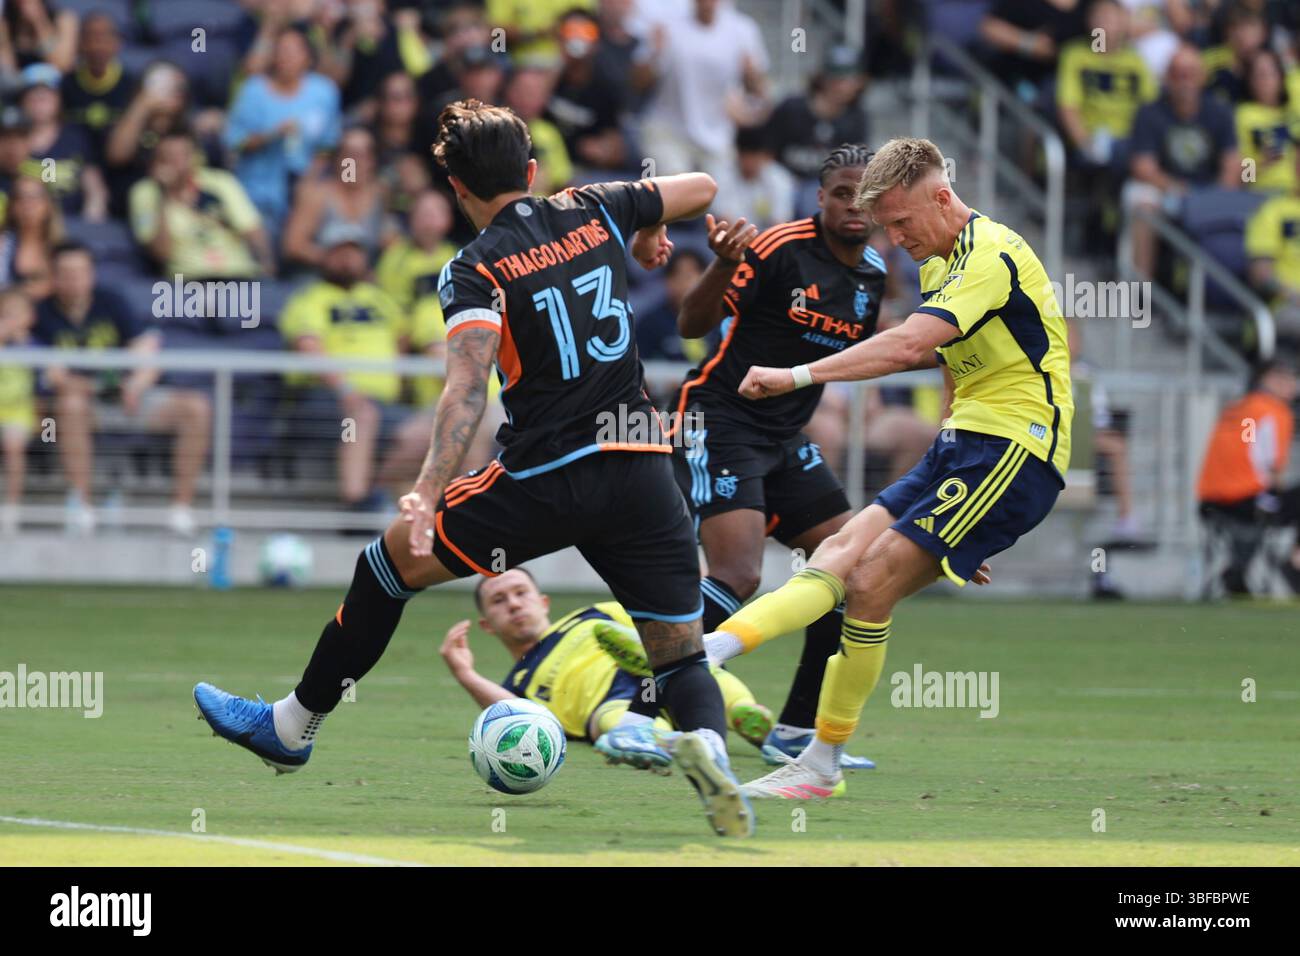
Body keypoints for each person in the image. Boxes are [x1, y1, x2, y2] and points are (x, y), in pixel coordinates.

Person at [194, 100, 755, 837]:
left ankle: (292, 726)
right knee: (678, 653)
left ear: (456, 191)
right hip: (644, 468)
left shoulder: (473, 267)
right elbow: (705, 186)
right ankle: (710, 750)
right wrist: (648, 229)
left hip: (549, 474)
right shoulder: (592, 208)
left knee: (384, 570)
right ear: (531, 171)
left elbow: (467, 385)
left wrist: (425, 494)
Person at [707, 138, 1071, 799]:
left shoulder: (990, 254)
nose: (896, 240)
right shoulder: (941, 263)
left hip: (1017, 446)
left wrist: (795, 375)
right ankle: (712, 655)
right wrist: (962, 513)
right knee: (840, 550)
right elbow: (951, 363)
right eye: (888, 227)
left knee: (870, 582)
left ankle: (819, 765)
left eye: (903, 223)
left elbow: (909, 347)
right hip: (968, 448)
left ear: (941, 197)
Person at [663, 144, 885, 769]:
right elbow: (689, 322)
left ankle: (795, 732)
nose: (852, 205)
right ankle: (636, 702)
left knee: (850, 569)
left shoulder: (873, 276)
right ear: (820, 198)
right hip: (723, 418)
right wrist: (720, 264)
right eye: (841, 192)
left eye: (864, 194)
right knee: (739, 576)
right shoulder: (778, 248)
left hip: (787, 438)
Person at [440, 567, 774, 766]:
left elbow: (662, 626)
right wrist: (465, 673)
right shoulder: (518, 686)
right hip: (610, 705)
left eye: (520, 593)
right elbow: (514, 716)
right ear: (487, 625)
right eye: (499, 601)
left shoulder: (592, 615)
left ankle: (747, 715)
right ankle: (671, 744)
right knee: (613, 722)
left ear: (543, 602)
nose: (514, 604)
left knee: (698, 667)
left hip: (659, 673)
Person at [34, 241, 212, 536]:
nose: (74, 280)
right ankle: (82, 507)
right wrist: (99, 386)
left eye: (80, 272)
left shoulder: (113, 302)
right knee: (69, 405)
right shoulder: (42, 314)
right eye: (66, 273)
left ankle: (180, 509)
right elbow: (55, 378)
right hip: (71, 411)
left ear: (92, 274)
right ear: (54, 276)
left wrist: (136, 384)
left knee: (196, 407)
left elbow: (148, 348)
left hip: (127, 397)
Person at [278, 221, 431, 513]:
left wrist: (398, 382)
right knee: (362, 413)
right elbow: (309, 349)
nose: (347, 259)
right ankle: (354, 500)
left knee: (435, 427)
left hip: (384, 404)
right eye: (338, 251)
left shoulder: (380, 300)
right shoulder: (309, 299)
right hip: (323, 400)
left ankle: (373, 493)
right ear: (323, 256)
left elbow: (402, 339)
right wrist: (345, 388)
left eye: (354, 252)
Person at [1197, 359, 1300, 595]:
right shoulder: (1275, 411)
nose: (1293, 386)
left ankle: (1238, 573)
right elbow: (1271, 465)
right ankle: (1295, 563)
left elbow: (1245, 447)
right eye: (1289, 379)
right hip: (1246, 499)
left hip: (1210, 502)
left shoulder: (1238, 408)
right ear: (1270, 380)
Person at [128, 127, 271, 284]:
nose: (178, 163)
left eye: (183, 155)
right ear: (156, 162)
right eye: (168, 157)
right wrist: (163, 194)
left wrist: (267, 268)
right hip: (187, 282)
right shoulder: (146, 192)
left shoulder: (221, 182)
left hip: (238, 275)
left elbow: (252, 229)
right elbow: (160, 253)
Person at [0, 288, 36, 535]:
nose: (10, 320)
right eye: (5, 314)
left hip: (22, 415)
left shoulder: (35, 346)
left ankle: (11, 509)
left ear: (29, 317)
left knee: (13, 446)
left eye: (16, 314)